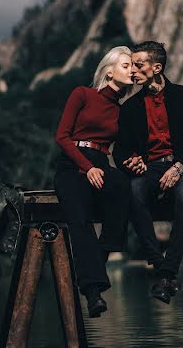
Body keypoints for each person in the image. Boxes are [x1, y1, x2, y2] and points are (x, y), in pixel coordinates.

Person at [113, 41, 183, 305]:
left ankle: (166, 274)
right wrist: (132, 161)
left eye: (139, 65)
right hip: (149, 168)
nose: (133, 71)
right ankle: (161, 265)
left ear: (157, 67)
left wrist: (178, 167)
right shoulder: (129, 107)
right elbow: (120, 151)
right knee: (133, 191)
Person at [54, 46, 133, 317]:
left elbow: (123, 149)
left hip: (101, 164)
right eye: (126, 65)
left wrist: (138, 161)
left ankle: (96, 265)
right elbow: (62, 137)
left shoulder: (121, 111)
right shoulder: (82, 94)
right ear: (109, 72)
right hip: (73, 164)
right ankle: (92, 293)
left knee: (123, 186)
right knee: (80, 220)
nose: (132, 70)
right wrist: (86, 168)